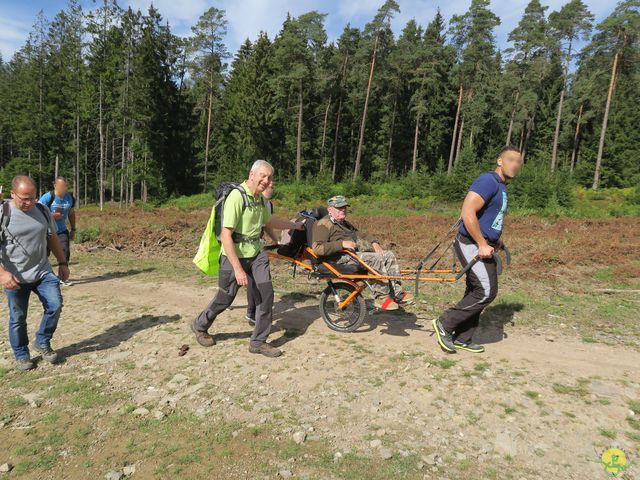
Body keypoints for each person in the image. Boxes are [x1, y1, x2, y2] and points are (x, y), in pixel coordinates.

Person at [191, 160, 304, 358]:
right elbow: (226, 236)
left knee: (266, 294)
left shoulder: (259, 199)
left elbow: (268, 221)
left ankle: (258, 342)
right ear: (252, 175)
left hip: (256, 253)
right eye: (263, 176)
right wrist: (238, 269)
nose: (267, 181)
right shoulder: (237, 197)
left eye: (270, 177)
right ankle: (200, 325)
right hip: (234, 255)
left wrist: (294, 226)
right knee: (225, 298)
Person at [433, 146, 522, 354]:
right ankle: (445, 323)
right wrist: (482, 243)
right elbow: (467, 212)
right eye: (511, 160)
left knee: (476, 290)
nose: (515, 164)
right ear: (499, 161)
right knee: (486, 291)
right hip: (470, 244)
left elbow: (488, 218)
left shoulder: (501, 186)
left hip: (484, 245)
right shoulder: (488, 181)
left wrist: (495, 241)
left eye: (518, 161)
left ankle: (463, 337)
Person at [0, 176, 70, 371]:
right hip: (15, 277)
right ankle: (22, 354)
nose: (29, 202)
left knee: (55, 305)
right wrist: (3, 274)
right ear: (12, 194)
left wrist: (62, 262)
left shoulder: (41, 209)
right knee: (18, 318)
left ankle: (42, 341)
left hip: (42, 272)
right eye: (24, 198)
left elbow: (52, 237)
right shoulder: (3, 213)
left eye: (32, 197)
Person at [311, 195, 412, 311]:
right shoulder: (323, 224)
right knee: (375, 259)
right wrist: (342, 244)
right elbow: (317, 248)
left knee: (388, 255)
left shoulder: (344, 223)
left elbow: (361, 234)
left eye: (344, 207)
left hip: (351, 255)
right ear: (330, 209)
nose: (343, 210)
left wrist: (374, 242)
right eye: (339, 208)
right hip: (338, 257)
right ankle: (381, 297)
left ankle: (396, 292)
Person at [245, 184, 278, 326]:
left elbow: (267, 225)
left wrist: (276, 240)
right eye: (270, 186)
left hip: (258, 246)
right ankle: (252, 312)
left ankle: (254, 313)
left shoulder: (268, 204)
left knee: (256, 281)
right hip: (245, 248)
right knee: (251, 282)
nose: (272, 187)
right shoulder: (250, 201)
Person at [39, 177, 76, 286]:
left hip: (61, 230)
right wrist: (52, 216)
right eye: (61, 186)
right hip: (46, 231)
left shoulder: (70, 198)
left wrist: (73, 229)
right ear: (55, 185)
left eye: (65, 186)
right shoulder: (48, 197)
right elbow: (37, 212)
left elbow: (71, 214)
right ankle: (41, 277)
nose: (63, 188)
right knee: (43, 254)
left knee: (64, 253)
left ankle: (62, 278)